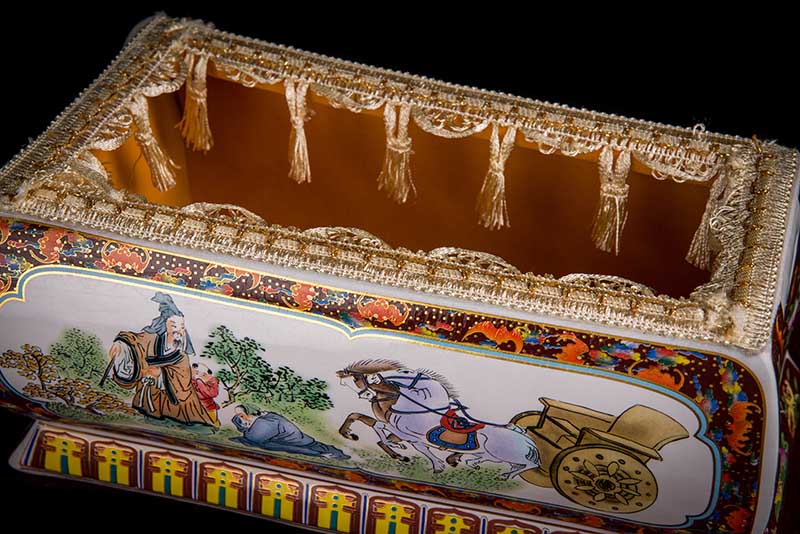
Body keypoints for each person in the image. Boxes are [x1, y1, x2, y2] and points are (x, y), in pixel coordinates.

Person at [106, 292, 216, 427]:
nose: (179, 331)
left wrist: (161, 373)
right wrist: (121, 345)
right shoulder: (152, 339)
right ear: (166, 326)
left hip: (176, 393)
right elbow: (135, 340)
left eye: (182, 327)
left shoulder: (182, 354)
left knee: (184, 407)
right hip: (152, 384)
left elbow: (182, 379)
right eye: (174, 326)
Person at [231, 406, 349, 459]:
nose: (242, 419)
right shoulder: (267, 418)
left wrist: (316, 454)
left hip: (300, 441)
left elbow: (254, 438)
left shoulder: (264, 424)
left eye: (241, 415)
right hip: (303, 440)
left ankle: (324, 452)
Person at [192, 362, 220, 427]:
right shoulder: (195, 379)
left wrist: (199, 382)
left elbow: (212, 393)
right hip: (195, 404)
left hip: (208, 405)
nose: (196, 374)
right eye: (196, 372)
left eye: (198, 372)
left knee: (213, 422)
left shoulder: (212, 381)